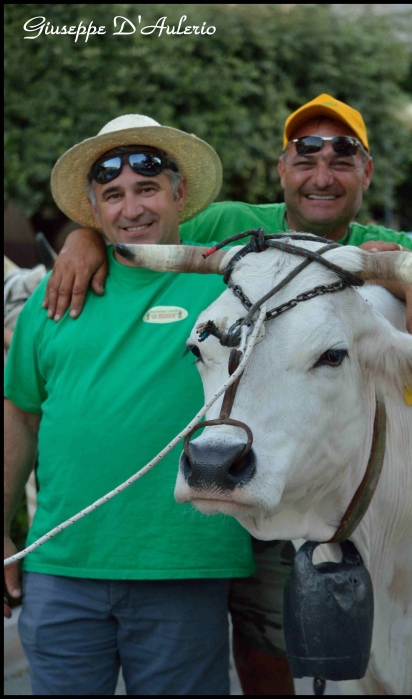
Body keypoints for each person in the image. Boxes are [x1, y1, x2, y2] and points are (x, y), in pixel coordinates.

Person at [4, 114, 296, 695]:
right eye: (112, 196)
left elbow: (335, 248)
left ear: (179, 193)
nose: (131, 208)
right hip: (62, 564)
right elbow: (19, 413)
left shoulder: (233, 281)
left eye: (147, 189)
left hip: (185, 565)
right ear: (94, 209)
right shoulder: (58, 293)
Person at [44, 94, 412, 349]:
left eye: (340, 163)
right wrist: (86, 236)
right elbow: (142, 231)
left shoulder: (378, 241)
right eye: (304, 163)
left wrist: (411, 271)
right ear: (281, 170)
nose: (321, 178)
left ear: (367, 174)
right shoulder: (230, 223)